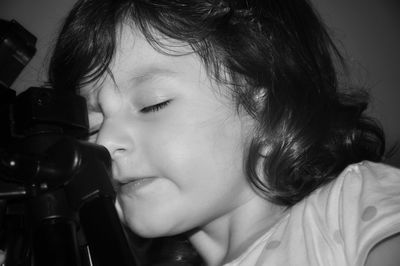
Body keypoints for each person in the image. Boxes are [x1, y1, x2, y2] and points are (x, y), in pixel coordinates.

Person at [45, 0, 400, 265]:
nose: (104, 142)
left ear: (261, 99)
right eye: (92, 125)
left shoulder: (350, 205)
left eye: (153, 104)